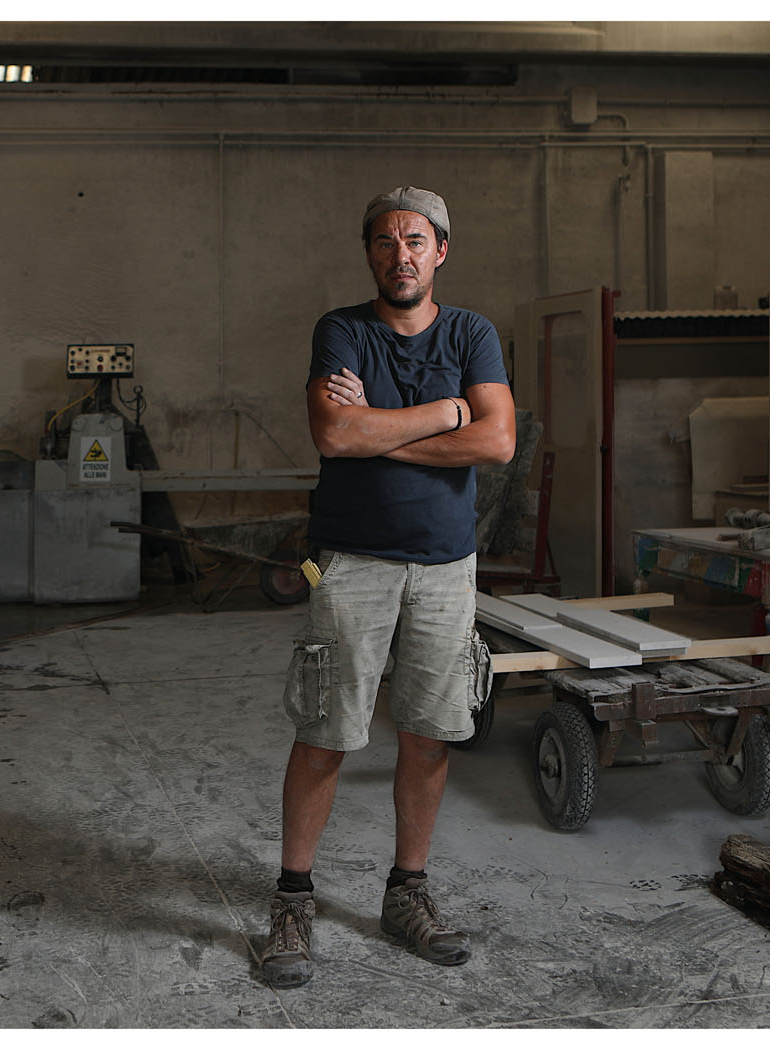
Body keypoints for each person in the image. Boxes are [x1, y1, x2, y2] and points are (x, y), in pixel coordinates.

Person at [260, 186, 516, 989]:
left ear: (441, 251)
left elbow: (499, 440)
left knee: (431, 732)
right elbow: (334, 432)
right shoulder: (341, 330)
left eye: (415, 241)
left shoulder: (472, 332)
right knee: (328, 730)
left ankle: (407, 893)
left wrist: (387, 434)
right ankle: (294, 901)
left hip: (445, 566)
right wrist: (442, 415)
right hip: (353, 564)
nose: (399, 255)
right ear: (369, 253)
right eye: (384, 242)